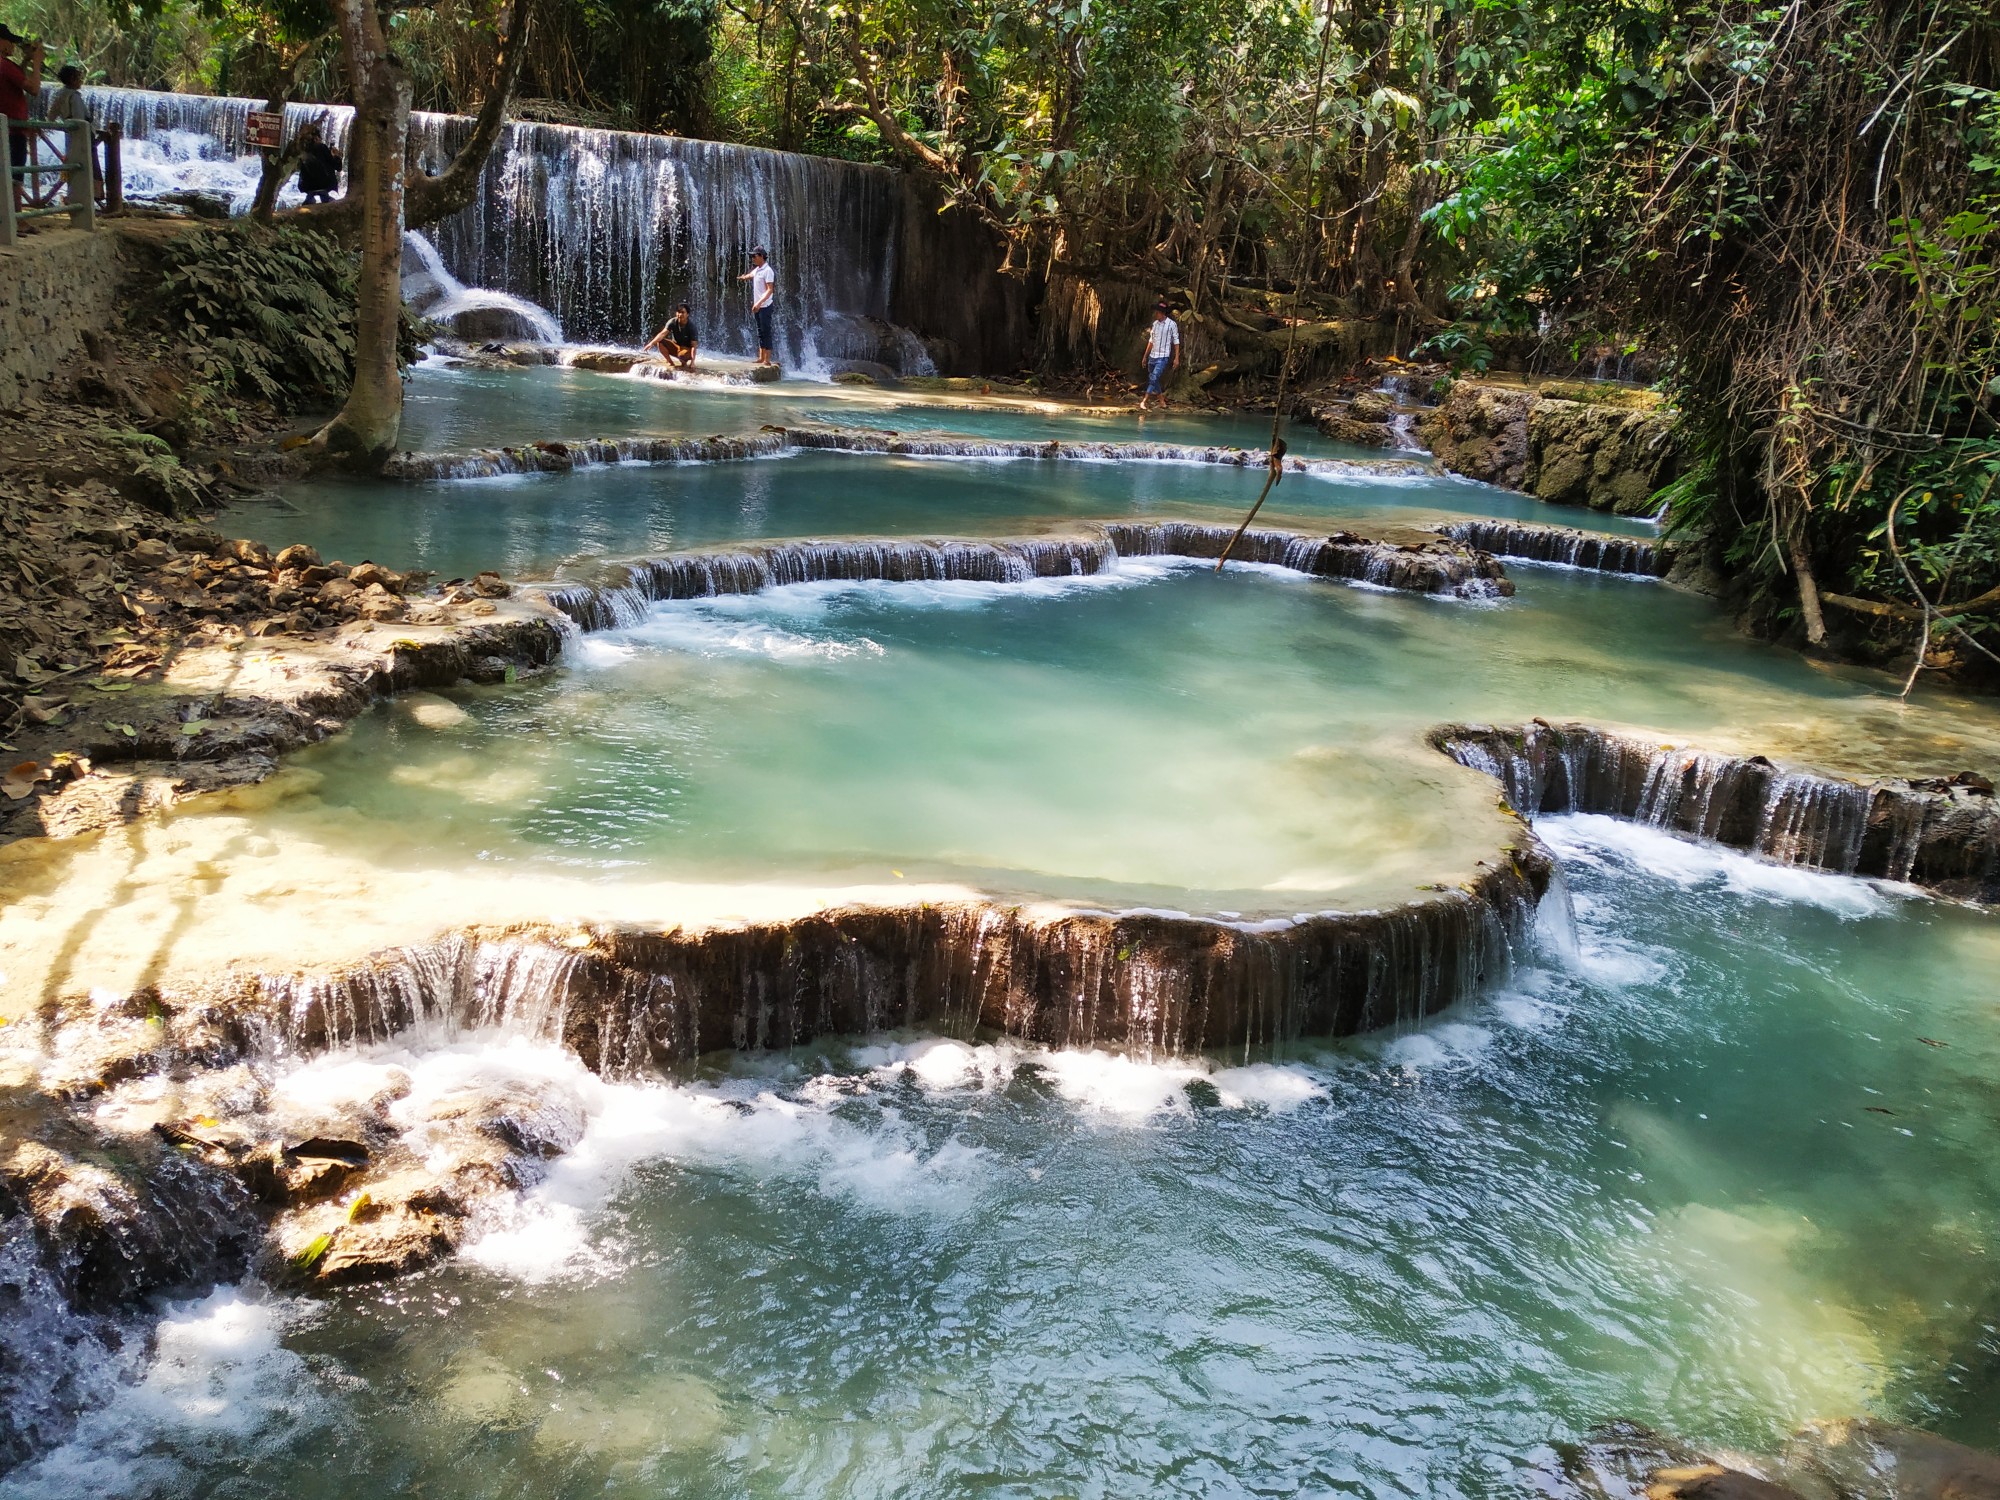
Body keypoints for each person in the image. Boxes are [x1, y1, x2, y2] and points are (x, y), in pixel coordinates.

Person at [0, 25, 46, 211]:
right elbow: (33, 89)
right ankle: (17, 220)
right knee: (15, 176)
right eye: (10, 41)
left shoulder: (6, 67)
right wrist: (36, 62)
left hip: (6, 129)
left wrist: (26, 60)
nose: (13, 45)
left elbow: (13, 78)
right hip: (13, 130)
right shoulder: (5, 65)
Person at [1137, 299, 1181, 411]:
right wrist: (1145, 356)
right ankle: (1161, 401)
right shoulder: (1155, 324)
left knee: (1154, 377)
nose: (1155, 314)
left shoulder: (1172, 325)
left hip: (1163, 356)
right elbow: (1151, 341)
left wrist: (1176, 357)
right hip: (1152, 356)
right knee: (1153, 379)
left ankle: (1144, 401)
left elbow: (1176, 341)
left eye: (1157, 312)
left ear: (1162, 313)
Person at [737, 246, 776, 367]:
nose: (752, 258)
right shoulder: (758, 269)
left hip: (765, 306)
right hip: (758, 306)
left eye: (754, 256)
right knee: (760, 331)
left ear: (761, 256)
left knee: (766, 331)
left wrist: (759, 303)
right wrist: (743, 277)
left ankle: (767, 360)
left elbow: (770, 290)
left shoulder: (768, 271)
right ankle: (760, 357)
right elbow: (750, 275)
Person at [295, 117, 342, 205]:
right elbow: (337, 167)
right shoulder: (321, 147)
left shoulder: (300, 148)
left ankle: (310, 198)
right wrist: (337, 156)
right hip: (323, 184)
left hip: (306, 185)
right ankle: (324, 197)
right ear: (316, 137)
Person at [642, 302, 699, 369]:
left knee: (682, 355)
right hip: (676, 346)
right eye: (678, 312)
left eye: (682, 312)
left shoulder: (692, 327)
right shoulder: (672, 322)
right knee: (660, 342)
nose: (680, 314)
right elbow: (662, 333)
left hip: (686, 349)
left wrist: (693, 362)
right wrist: (651, 343)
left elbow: (693, 346)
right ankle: (670, 362)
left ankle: (684, 363)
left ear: (687, 314)